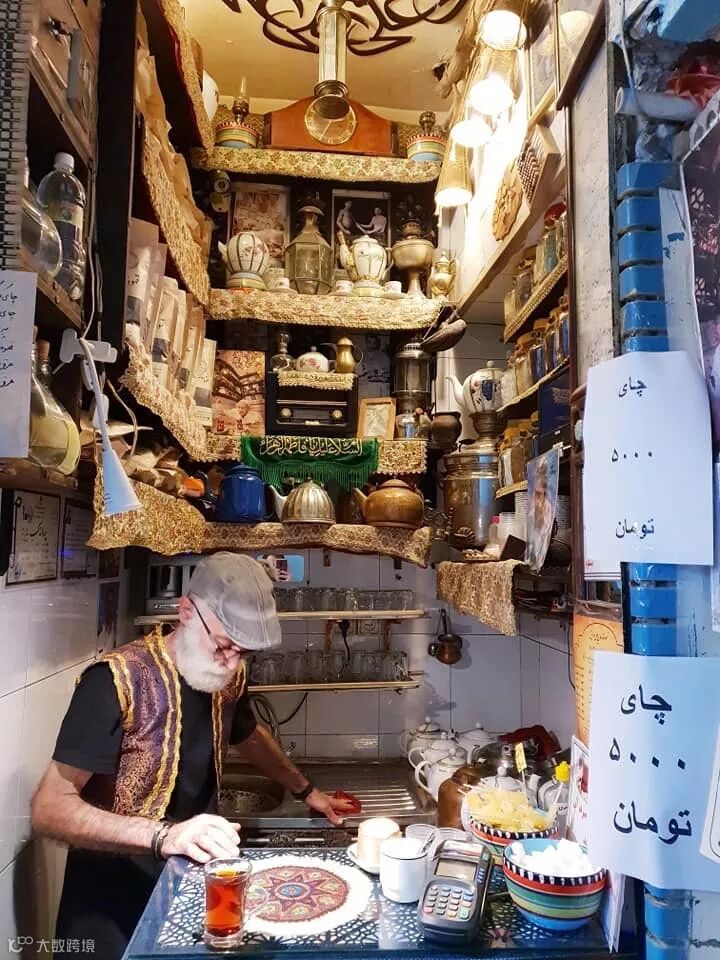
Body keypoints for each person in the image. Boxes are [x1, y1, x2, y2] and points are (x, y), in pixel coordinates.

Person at [32, 553, 354, 959]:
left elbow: (247, 733)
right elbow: (48, 809)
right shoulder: (115, 681)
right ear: (186, 612)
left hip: (186, 890)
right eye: (222, 645)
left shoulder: (227, 676)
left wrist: (306, 790)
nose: (230, 662)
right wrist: (164, 835)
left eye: (242, 652)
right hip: (110, 905)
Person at [525, 456, 556, 571]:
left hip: (542, 551)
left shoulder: (547, 505)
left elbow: (544, 531)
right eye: (538, 476)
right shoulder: (532, 503)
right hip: (534, 551)